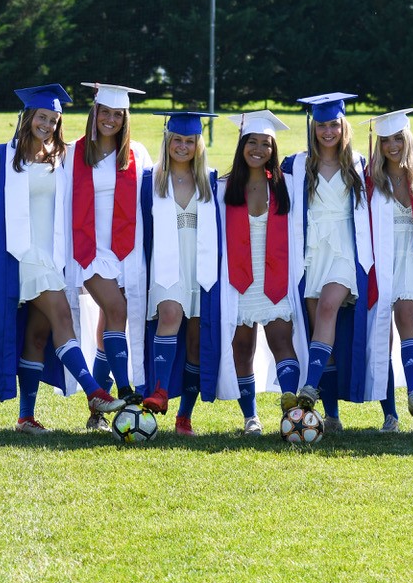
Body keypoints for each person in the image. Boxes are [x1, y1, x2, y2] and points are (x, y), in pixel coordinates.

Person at [0, 84, 122, 433]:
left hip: (53, 255)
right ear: (28, 116)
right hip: (23, 255)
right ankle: (94, 392)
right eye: (42, 117)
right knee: (62, 317)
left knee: (38, 334)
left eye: (53, 120)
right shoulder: (3, 157)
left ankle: (26, 417)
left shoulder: (60, 157)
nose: (46, 125)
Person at [64, 82, 153, 429]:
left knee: (107, 323)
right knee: (117, 309)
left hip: (124, 249)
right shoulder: (73, 153)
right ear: (95, 113)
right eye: (105, 112)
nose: (111, 120)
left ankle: (97, 411)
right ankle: (127, 389)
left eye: (118, 114)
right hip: (88, 249)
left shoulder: (136, 154)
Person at [286, 93, 373, 431]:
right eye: (321, 125)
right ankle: (332, 414)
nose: (328, 131)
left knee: (327, 308)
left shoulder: (359, 165)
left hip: (344, 251)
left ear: (343, 125)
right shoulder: (298, 165)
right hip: (312, 253)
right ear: (313, 127)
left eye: (334, 124)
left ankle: (309, 387)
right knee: (321, 332)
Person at [217, 111, 303, 435]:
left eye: (266, 144)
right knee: (242, 347)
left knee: (281, 339)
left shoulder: (285, 186)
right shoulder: (223, 188)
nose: (258, 149)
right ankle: (250, 417)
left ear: (273, 149)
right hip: (238, 279)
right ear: (241, 145)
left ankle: (292, 410)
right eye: (251, 142)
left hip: (275, 276)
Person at [140, 110, 222, 436]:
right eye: (177, 140)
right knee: (170, 314)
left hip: (201, 267)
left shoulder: (211, 181)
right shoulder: (150, 180)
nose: (183, 146)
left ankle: (184, 416)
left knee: (196, 340)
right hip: (166, 267)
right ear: (167, 140)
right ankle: (159, 390)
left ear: (198, 144)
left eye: (190, 141)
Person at [361, 108, 413, 417]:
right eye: (385, 140)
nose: (392, 146)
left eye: (398, 138)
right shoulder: (369, 178)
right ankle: (389, 414)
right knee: (381, 331)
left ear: (407, 138)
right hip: (381, 259)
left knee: (406, 317)